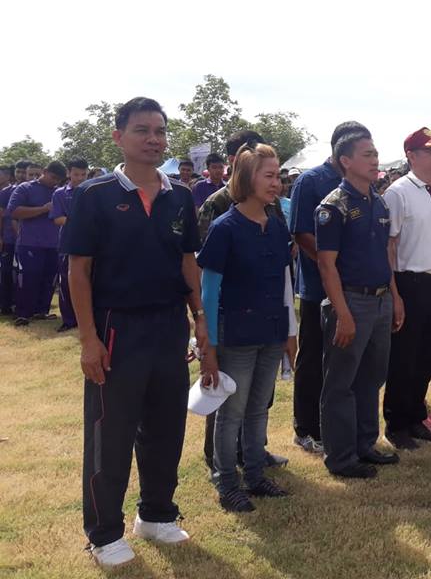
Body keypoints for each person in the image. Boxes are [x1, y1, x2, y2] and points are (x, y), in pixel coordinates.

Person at [63, 97, 205, 567]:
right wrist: (88, 339)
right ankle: (104, 533)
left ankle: (157, 514)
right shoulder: (95, 195)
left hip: (168, 324)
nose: (153, 139)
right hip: (116, 326)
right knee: (112, 431)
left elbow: (187, 261)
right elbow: (79, 270)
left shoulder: (179, 195)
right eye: (142, 130)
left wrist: (199, 319)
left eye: (160, 131)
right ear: (118, 136)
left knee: (166, 426)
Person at [197, 143, 297, 512]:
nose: (276, 183)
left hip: (271, 332)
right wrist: (208, 345)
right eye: (268, 176)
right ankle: (227, 483)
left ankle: (255, 475)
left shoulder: (276, 226)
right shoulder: (225, 228)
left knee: (258, 408)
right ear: (246, 178)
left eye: (278, 176)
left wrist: (290, 331)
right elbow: (209, 290)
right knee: (232, 413)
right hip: (236, 335)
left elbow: (284, 282)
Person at [315, 132, 404, 478]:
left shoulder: (378, 202)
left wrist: (395, 297)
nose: (375, 159)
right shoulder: (333, 206)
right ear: (345, 161)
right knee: (341, 383)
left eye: (376, 153)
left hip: (380, 300)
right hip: (351, 300)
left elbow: (384, 255)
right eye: (367, 154)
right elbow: (327, 265)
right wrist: (342, 313)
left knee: (371, 377)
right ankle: (341, 457)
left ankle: (365, 444)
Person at [288, 121, 371, 456]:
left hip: (355, 289)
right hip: (317, 287)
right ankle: (306, 427)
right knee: (313, 358)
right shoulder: (311, 181)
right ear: (340, 150)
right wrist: (332, 265)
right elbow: (300, 232)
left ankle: (340, 426)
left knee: (345, 361)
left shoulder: (362, 183)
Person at [382, 127, 431, 449]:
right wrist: (395, 294)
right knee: (404, 357)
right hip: (409, 283)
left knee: (426, 356)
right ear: (411, 156)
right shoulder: (398, 193)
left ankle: (415, 417)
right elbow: (389, 246)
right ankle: (396, 424)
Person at [8, 160, 65, 327]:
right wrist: (43, 209)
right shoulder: (25, 188)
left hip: (54, 244)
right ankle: (23, 313)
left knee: (49, 279)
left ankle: (42, 311)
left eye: (58, 180)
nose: (55, 181)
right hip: (30, 243)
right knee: (29, 278)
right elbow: (14, 212)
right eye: (53, 177)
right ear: (44, 171)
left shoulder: (59, 192)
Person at [50, 158, 89, 331]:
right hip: (69, 243)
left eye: (83, 174)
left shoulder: (94, 191)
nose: (80, 178)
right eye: (76, 174)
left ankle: (90, 319)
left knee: (91, 281)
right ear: (68, 173)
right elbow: (57, 219)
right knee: (67, 283)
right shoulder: (60, 194)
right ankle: (69, 320)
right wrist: (82, 222)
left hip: (93, 244)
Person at [0, 165, 16, 315]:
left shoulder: (12, 191)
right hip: (7, 239)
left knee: (12, 273)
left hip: (15, 240)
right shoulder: (5, 193)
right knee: (5, 272)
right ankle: (5, 305)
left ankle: (11, 304)